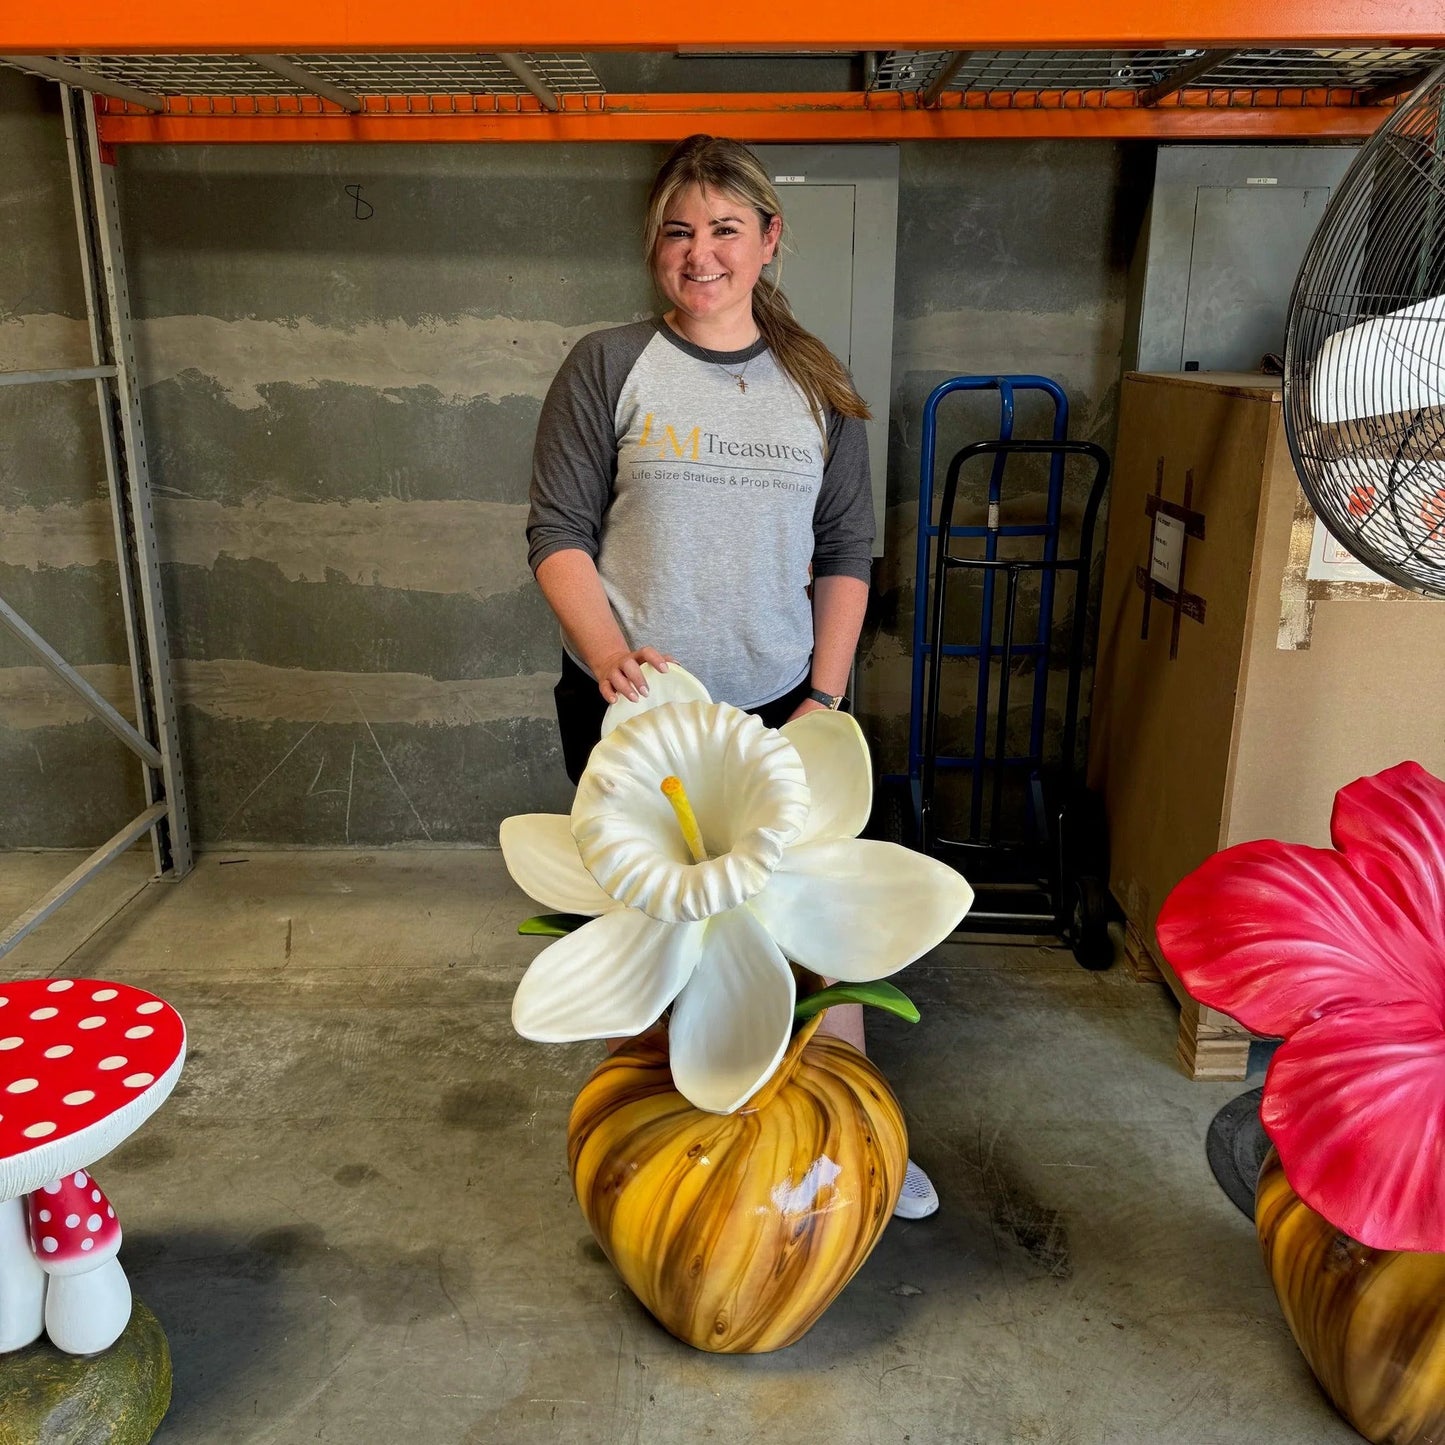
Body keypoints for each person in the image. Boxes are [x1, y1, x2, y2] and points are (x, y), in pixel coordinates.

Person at [525, 134, 937, 1221]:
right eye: (676, 230)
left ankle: (855, 1137)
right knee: (646, 929)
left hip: (775, 708)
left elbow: (847, 551)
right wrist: (609, 653)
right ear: (654, 247)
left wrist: (825, 697)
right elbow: (558, 533)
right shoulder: (607, 364)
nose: (698, 252)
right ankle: (651, 1151)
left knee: (812, 934)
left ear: (766, 241)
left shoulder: (816, 386)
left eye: (721, 229)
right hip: (635, 717)